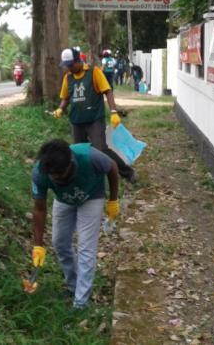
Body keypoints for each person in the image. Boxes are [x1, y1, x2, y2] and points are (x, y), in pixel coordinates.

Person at [31, 139, 121, 308]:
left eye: (61, 177)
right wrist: (38, 245)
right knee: (59, 242)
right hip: (64, 200)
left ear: (71, 164)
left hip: (91, 197)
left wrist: (113, 200)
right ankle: (73, 285)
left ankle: (81, 302)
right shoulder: (40, 172)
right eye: (54, 178)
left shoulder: (89, 157)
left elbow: (112, 168)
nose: (57, 180)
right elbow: (39, 209)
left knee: (86, 247)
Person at [53, 48, 137, 183]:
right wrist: (60, 109)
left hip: (94, 120)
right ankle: (87, 180)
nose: (68, 68)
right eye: (66, 66)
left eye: (70, 65)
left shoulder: (94, 73)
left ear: (78, 61)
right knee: (80, 153)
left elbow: (108, 91)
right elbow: (65, 97)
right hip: (77, 121)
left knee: (101, 150)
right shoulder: (67, 78)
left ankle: (127, 172)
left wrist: (113, 112)